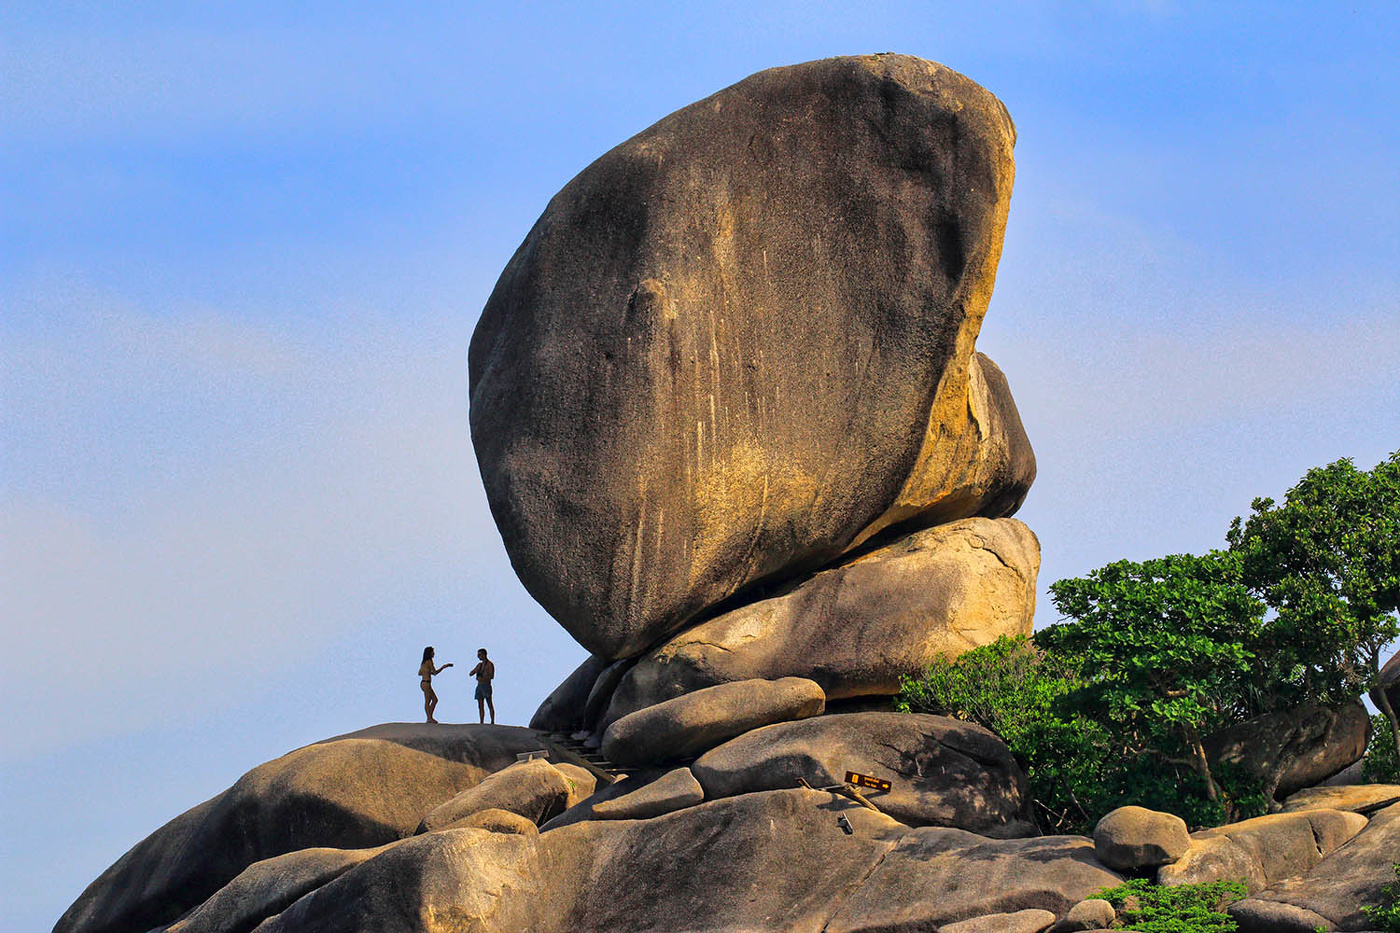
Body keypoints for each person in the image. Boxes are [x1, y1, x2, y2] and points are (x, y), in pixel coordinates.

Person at [418, 646, 452, 724]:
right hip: (426, 682)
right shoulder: (429, 661)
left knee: (434, 700)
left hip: (424, 682)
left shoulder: (423, 662)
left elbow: (420, 673)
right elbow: (435, 672)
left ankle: (430, 717)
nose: (434, 653)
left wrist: (427, 671)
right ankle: (429, 718)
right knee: (428, 700)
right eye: (433, 652)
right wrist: (443, 667)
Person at [468, 648, 496, 724]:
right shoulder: (479, 665)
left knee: (489, 703)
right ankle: (481, 721)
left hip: (486, 685)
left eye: (480, 655)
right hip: (479, 685)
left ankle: (492, 721)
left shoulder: (490, 664)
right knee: (480, 705)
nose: (478, 657)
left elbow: (491, 676)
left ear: (484, 655)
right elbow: (471, 673)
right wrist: (476, 671)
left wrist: (483, 676)